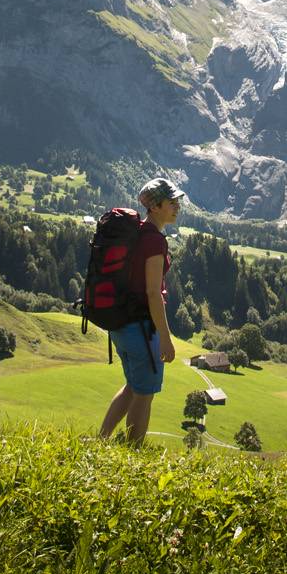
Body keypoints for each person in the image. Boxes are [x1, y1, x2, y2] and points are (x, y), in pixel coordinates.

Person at [97, 177, 183, 445]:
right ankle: (133, 453)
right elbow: (153, 293)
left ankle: (102, 440)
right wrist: (166, 339)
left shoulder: (137, 233)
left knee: (132, 387)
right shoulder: (154, 241)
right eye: (171, 202)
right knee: (144, 395)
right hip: (141, 329)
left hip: (120, 324)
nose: (177, 207)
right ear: (155, 207)